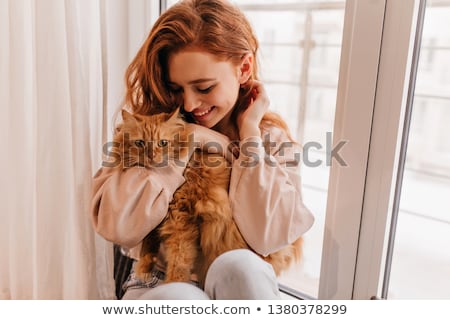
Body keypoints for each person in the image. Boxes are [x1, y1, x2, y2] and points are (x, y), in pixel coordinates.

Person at [91, 0, 314, 300]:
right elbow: (116, 224)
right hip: (158, 281)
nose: (189, 104)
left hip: (238, 285)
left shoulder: (270, 139)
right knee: (177, 298)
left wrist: (248, 135)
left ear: (244, 68)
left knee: (242, 267)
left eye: (205, 87)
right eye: (176, 89)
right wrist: (186, 140)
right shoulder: (146, 130)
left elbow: (269, 237)